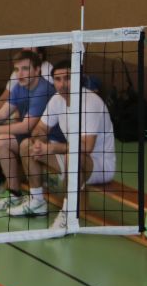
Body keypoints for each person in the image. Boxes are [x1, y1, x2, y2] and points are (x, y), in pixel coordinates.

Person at [15, 60, 117, 228]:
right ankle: (37, 201)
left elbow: (87, 147)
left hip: (100, 165)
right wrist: (39, 142)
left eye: (67, 78)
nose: (62, 84)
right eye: (58, 79)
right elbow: (40, 128)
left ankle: (68, 215)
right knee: (27, 145)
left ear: (77, 78)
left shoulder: (90, 102)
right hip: (72, 157)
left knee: (72, 156)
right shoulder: (57, 99)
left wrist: (52, 147)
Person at [0, 50, 55, 212]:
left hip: (47, 140)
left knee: (1, 141)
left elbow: (26, 126)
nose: (20, 74)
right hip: (27, 136)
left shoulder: (43, 90)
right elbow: (2, 113)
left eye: (25, 69)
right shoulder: (20, 86)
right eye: (17, 69)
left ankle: (15, 195)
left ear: (37, 70)